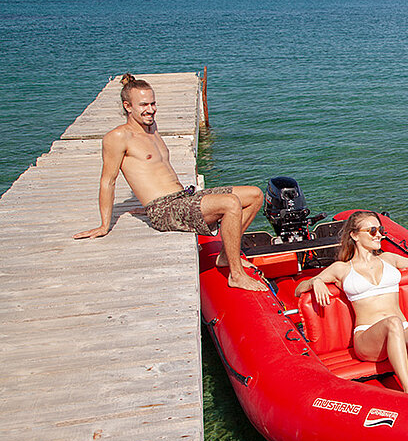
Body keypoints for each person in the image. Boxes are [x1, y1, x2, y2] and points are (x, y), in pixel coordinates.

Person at [74, 73, 265, 292]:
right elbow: (108, 181)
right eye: (143, 105)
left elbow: (153, 173)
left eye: (153, 103)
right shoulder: (118, 137)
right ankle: (236, 275)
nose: (151, 109)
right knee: (230, 203)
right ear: (128, 106)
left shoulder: (152, 129)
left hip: (183, 197)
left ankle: (224, 256)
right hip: (163, 209)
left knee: (254, 195)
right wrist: (104, 225)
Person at [294, 210, 408, 401]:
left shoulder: (388, 259)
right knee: (393, 323)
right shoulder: (342, 268)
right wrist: (316, 282)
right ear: (354, 235)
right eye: (372, 230)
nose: (379, 234)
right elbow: (299, 289)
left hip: (402, 330)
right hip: (368, 337)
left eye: (380, 229)